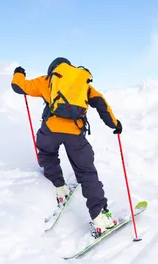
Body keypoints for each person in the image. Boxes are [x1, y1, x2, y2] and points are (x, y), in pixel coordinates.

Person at [11, 57, 123, 234]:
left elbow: (19, 87)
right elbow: (100, 102)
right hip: (75, 133)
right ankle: (100, 216)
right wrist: (115, 124)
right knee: (87, 173)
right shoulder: (81, 82)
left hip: (50, 130)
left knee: (47, 154)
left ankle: (60, 188)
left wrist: (18, 74)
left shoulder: (47, 80)